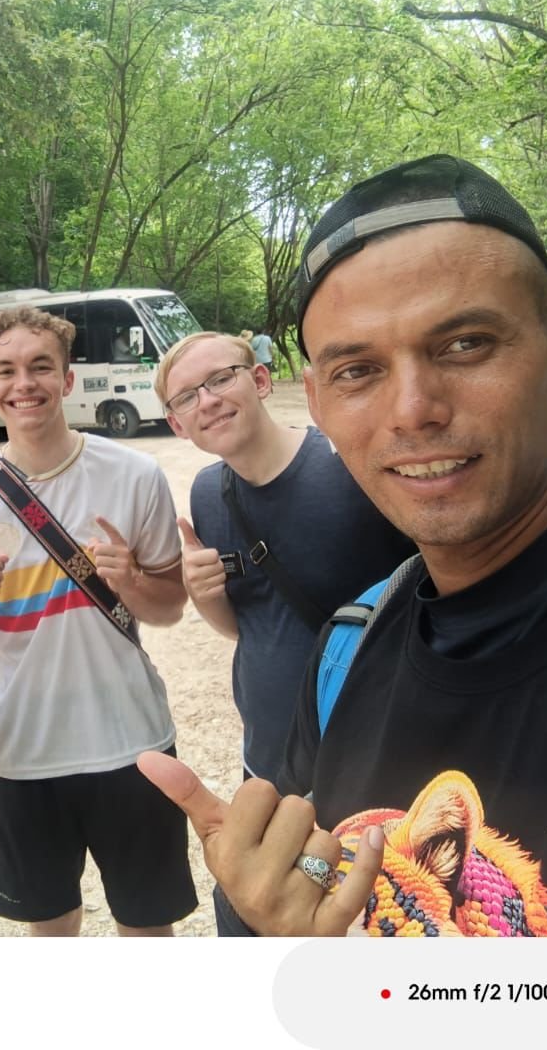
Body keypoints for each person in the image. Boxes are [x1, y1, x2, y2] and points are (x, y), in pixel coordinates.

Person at [140, 153, 547, 936]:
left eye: (465, 345)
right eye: (359, 369)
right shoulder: (348, 649)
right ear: (318, 402)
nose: (413, 410)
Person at [0, 303, 197, 937]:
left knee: (148, 928)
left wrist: (131, 580)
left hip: (131, 743)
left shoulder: (133, 475)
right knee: (50, 932)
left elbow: (170, 608)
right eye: (8, 371)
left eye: (41, 367)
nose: (26, 384)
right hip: (26, 752)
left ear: (68, 380)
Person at [155, 331, 412, 786]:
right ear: (177, 424)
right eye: (188, 397)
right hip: (269, 754)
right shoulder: (208, 493)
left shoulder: (345, 466)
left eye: (220, 379)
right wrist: (203, 593)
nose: (208, 401)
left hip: (375, 750)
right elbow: (243, 624)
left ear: (259, 380)